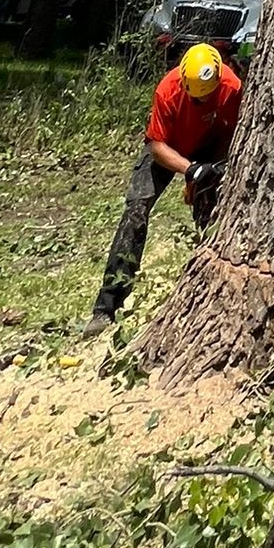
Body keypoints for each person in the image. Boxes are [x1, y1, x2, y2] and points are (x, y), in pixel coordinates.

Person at [82, 41, 242, 336]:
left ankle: (207, 293)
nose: (198, 103)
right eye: (194, 98)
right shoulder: (167, 90)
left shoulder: (231, 87)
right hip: (166, 149)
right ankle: (106, 307)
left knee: (211, 218)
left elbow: (230, 133)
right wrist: (190, 170)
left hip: (207, 147)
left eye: (204, 99)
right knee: (136, 212)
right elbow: (156, 146)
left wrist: (209, 172)